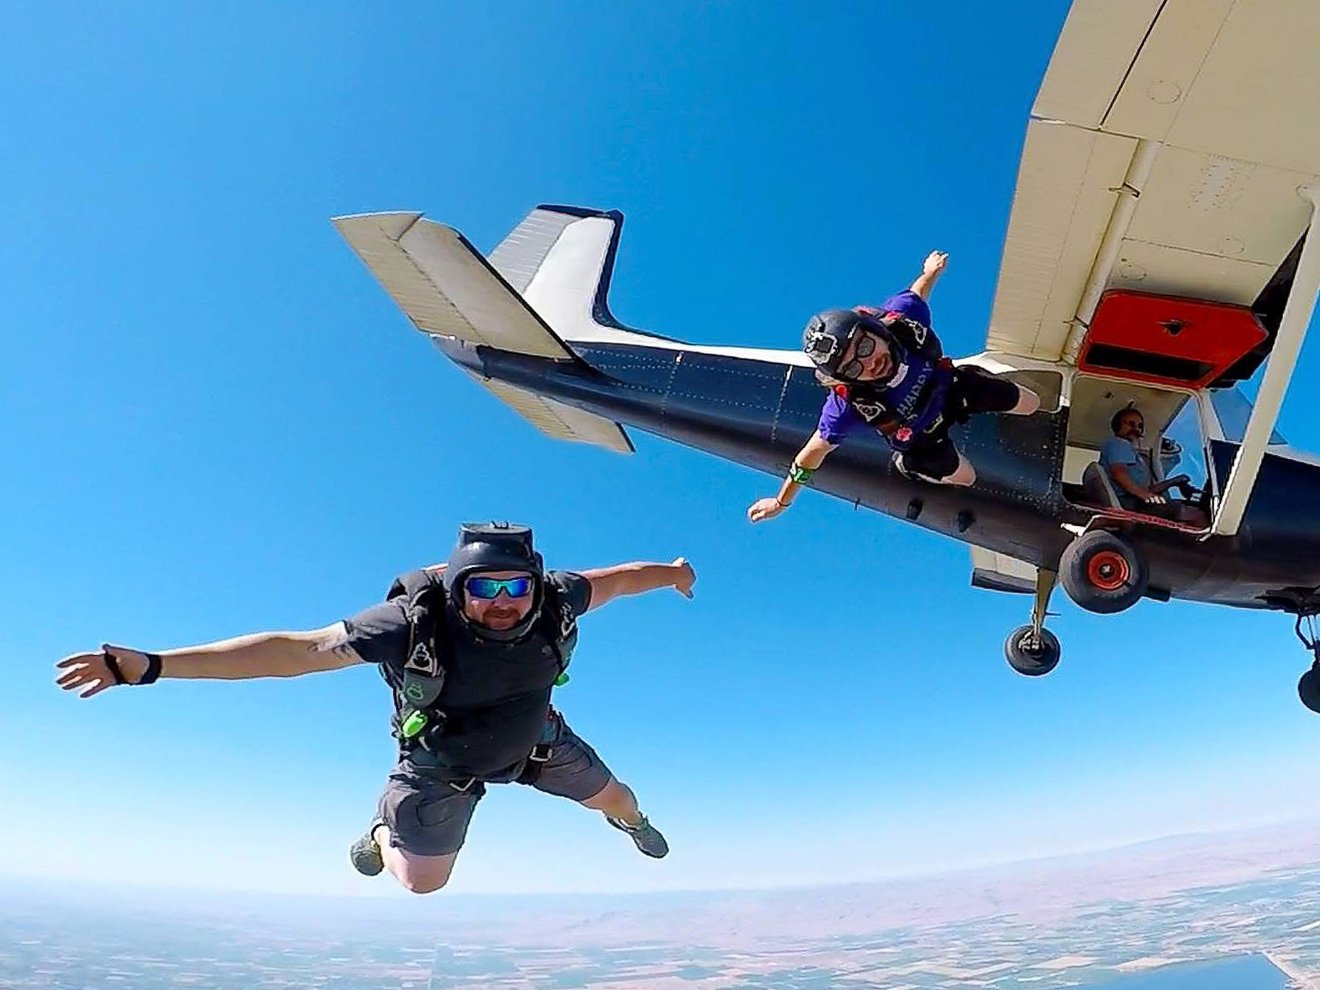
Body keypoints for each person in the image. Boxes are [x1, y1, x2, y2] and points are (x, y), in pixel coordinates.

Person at [55, 522, 697, 895]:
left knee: (621, 799)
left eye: (516, 587)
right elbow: (297, 651)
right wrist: (156, 667)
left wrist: (673, 573)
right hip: (439, 763)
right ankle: (383, 832)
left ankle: (630, 825)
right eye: (484, 588)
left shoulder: (558, 599)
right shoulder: (406, 624)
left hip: (535, 741)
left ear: (537, 585)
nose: (503, 602)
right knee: (422, 885)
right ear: (455, 588)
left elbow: (621, 578)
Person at [748, 252, 1040, 522]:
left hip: (950, 389)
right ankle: (912, 466)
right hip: (922, 437)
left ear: (875, 330)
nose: (869, 363)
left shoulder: (901, 319)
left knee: (1030, 403)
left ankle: (978, 385)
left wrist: (931, 271)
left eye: (864, 347)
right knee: (966, 477)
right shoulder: (847, 405)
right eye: (852, 368)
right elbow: (810, 456)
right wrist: (781, 501)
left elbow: (919, 291)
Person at [1101, 407, 1208, 526]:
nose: (1136, 429)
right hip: (1131, 504)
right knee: (1197, 515)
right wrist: (1145, 495)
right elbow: (1119, 472)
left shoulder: (1130, 452)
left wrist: (1174, 481)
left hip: (1135, 501)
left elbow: (1147, 490)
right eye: (1131, 424)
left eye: (1140, 426)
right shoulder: (1119, 443)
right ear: (1118, 425)